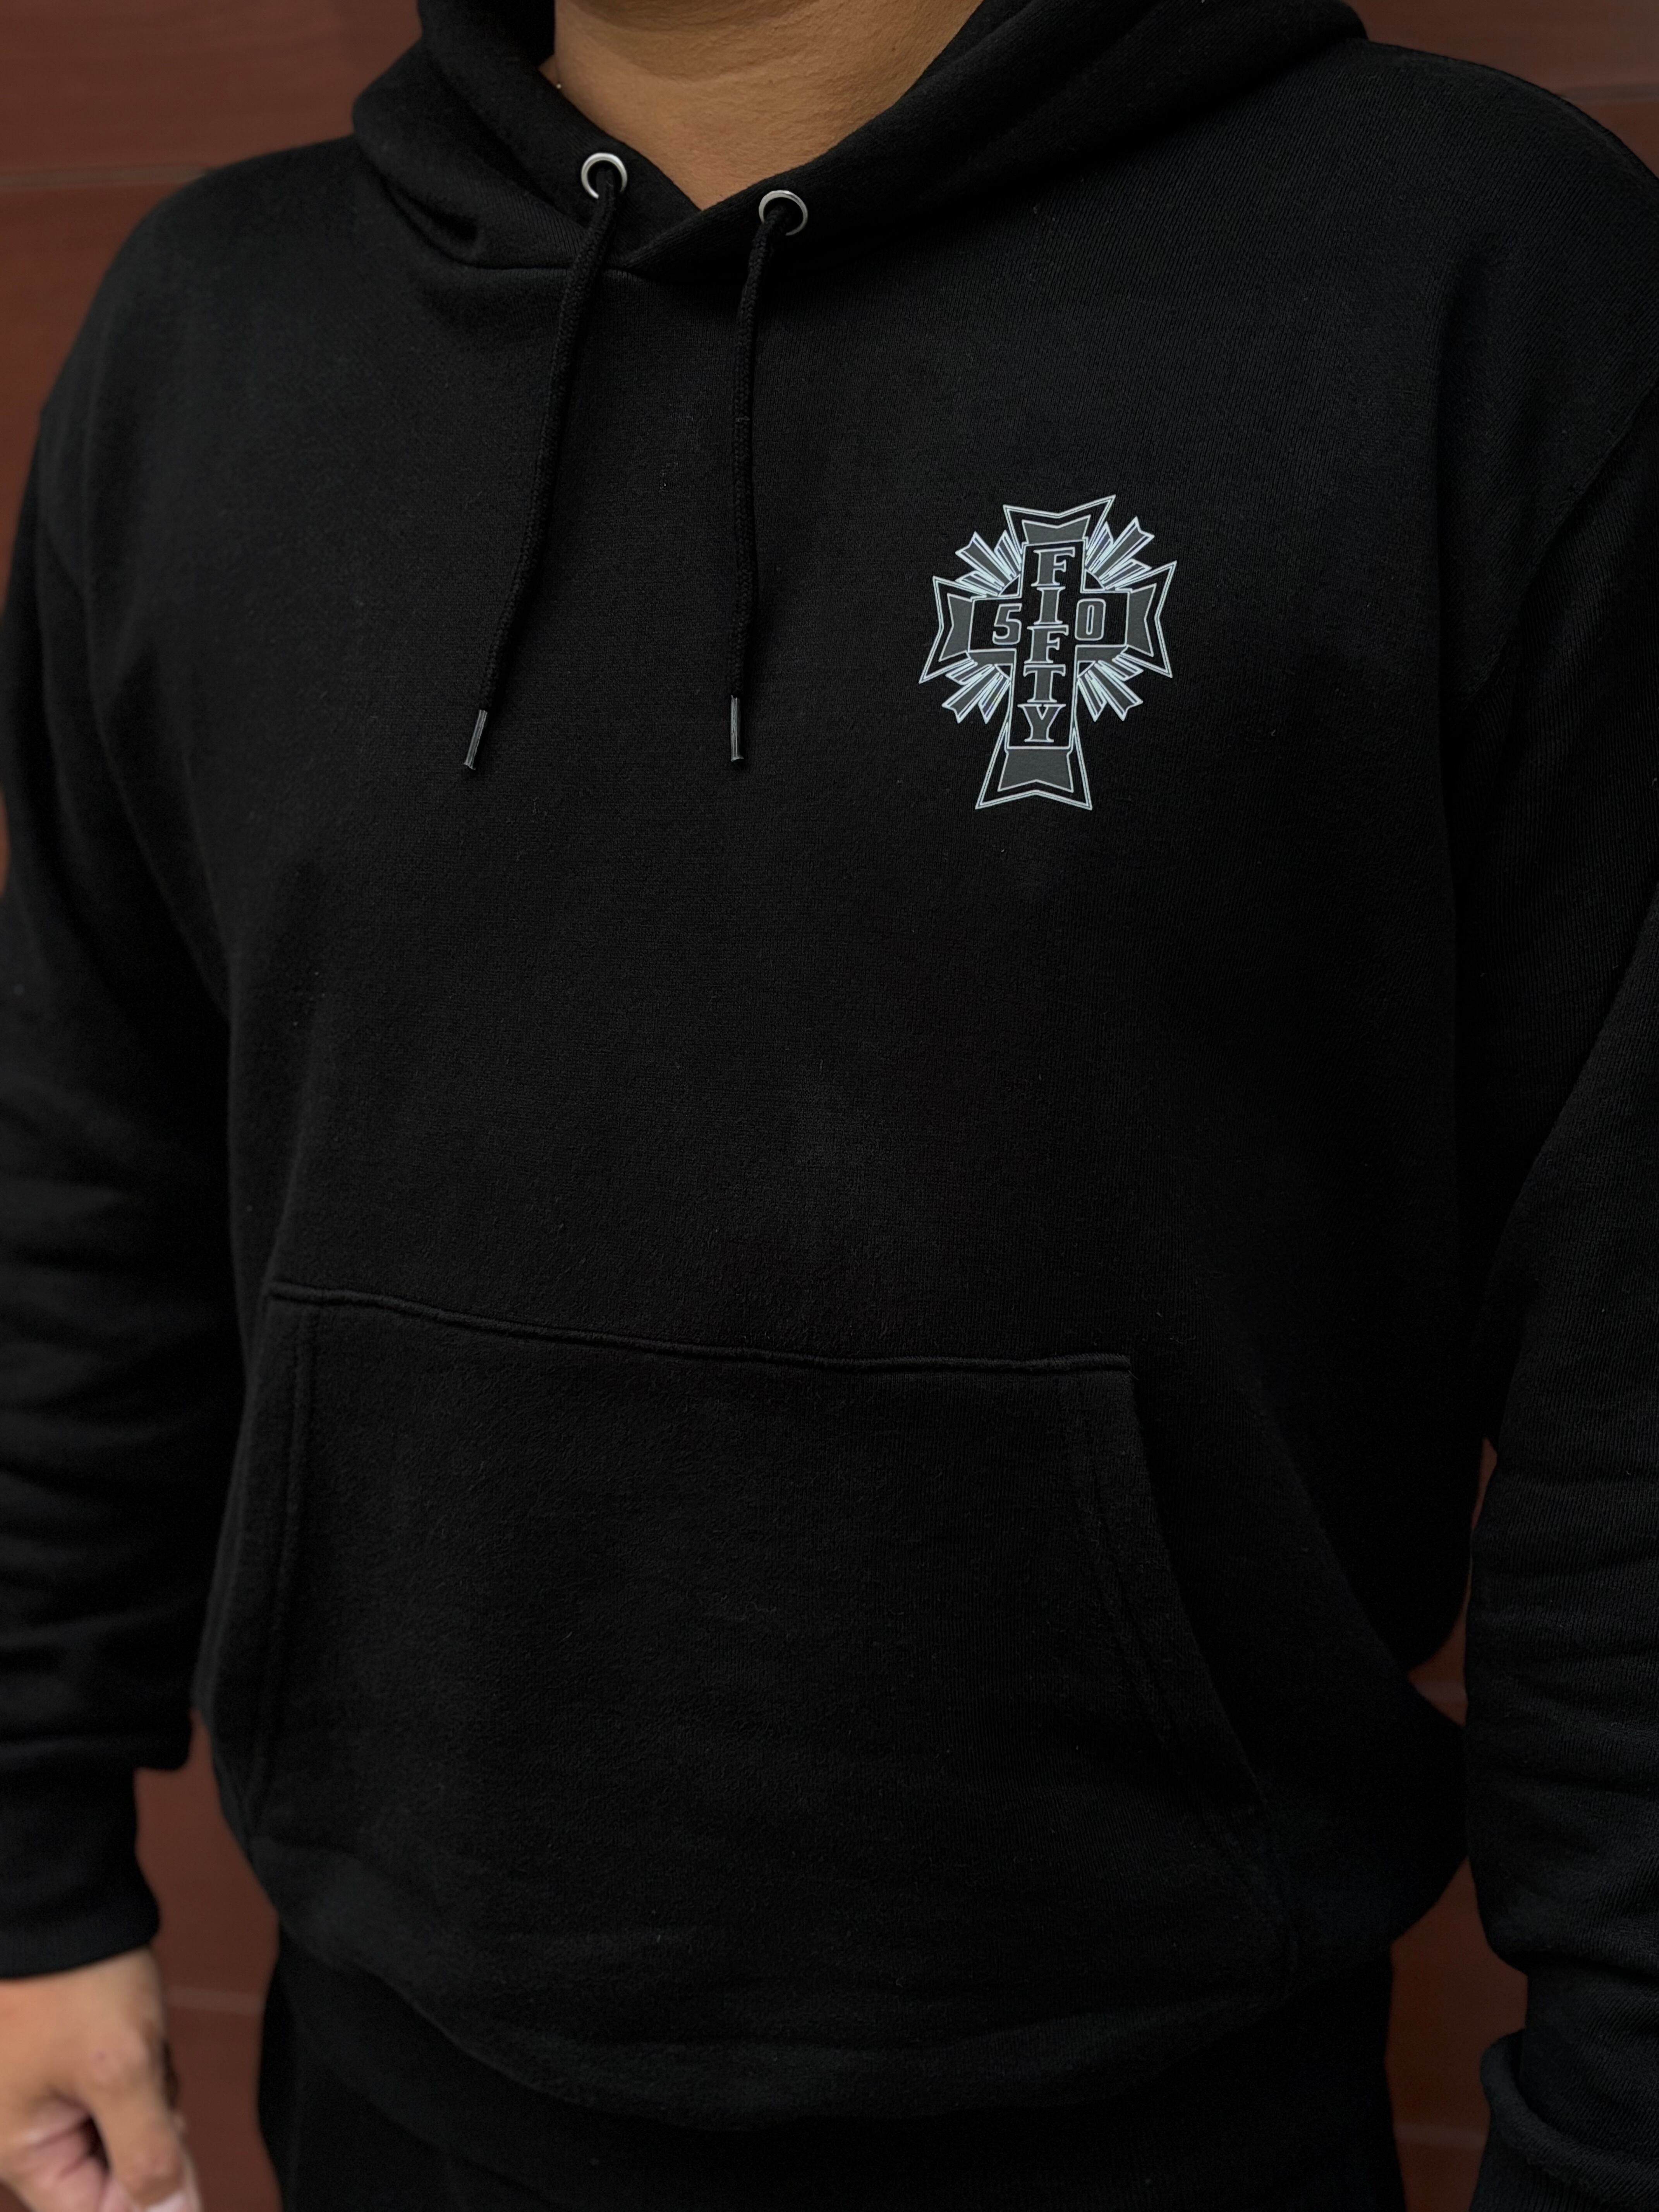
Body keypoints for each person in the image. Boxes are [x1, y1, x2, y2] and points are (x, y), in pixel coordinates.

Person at [2, 0, 1657, 2204]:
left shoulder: (1476, 274)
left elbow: (1634, 1342)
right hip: (397, 2092)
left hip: (1166, 2119)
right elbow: (86, 1160)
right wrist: (30, 1870)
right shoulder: (211, 334)